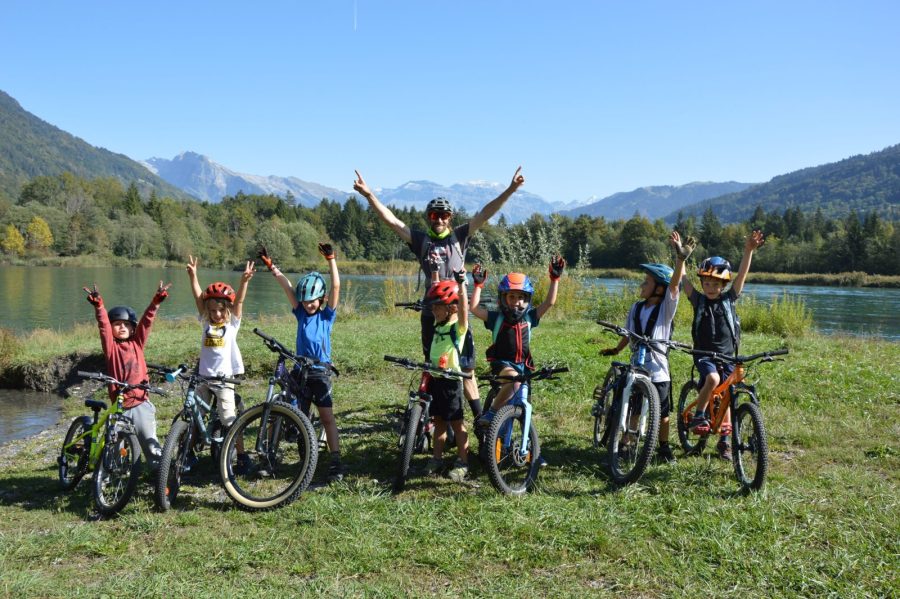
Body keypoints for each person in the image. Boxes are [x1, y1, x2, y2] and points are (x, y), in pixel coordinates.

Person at [352, 167, 527, 424]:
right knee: (434, 366)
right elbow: (392, 221)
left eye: (444, 215)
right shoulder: (421, 240)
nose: (439, 219)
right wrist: (369, 196)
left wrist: (510, 190)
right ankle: (436, 420)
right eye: (434, 215)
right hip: (431, 312)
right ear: (428, 218)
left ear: (450, 217)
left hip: (459, 313)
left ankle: (479, 418)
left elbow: (486, 214)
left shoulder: (460, 237)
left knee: (466, 366)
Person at [600, 231, 692, 464]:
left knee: (662, 414)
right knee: (635, 408)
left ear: (659, 288)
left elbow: (674, 288)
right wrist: (617, 349)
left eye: (647, 282)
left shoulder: (665, 310)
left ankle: (663, 446)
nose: (642, 285)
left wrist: (680, 259)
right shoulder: (636, 308)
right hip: (637, 366)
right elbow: (628, 332)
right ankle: (627, 444)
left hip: (659, 370)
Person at [258, 243, 345, 483]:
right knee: (299, 417)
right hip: (300, 371)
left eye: (313, 301)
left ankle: (336, 458)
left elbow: (336, 285)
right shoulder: (299, 313)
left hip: (320, 373)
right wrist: (272, 267)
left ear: (321, 299)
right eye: (305, 301)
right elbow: (287, 286)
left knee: (327, 417)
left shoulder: (326, 316)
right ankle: (305, 457)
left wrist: (331, 259)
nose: (308, 305)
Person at [684, 229, 766, 460]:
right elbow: (683, 281)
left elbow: (741, 277)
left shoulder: (729, 299)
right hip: (704, 355)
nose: (710, 287)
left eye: (716, 284)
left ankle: (725, 442)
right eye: (707, 283)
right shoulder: (698, 300)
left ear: (723, 285)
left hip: (728, 356)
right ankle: (699, 414)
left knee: (728, 396)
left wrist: (748, 250)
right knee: (712, 380)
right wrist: (681, 259)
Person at [469, 257, 565, 442]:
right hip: (502, 364)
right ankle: (491, 413)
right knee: (513, 380)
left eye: (521, 297)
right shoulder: (495, 317)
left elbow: (549, 303)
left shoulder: (530, 317)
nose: (516, 302)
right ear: (503, 298)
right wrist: (478, 285)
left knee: (523, 406)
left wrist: (554, 279)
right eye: (511, 296)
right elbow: (473, 308)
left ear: (527, 299)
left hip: (524, 366)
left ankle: (529, 446)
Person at [83, 280, 171, 470]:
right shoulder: (111, 349)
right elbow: (104, 327)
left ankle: (161, 477)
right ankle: (107, 479)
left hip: (140, 403)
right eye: (117, 324)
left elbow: (147, 323)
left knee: (150, 444)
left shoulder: (137, 343)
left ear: (132, 328)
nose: (121, 327)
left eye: (126, 324)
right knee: (113, 447)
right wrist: (99, 306)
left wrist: (155, 302)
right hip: (119, 407)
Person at [186, 255, 254, 470]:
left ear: (227, 310)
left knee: (230, 419)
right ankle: (188, 451)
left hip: (224, 380)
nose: (216, 314)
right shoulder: (206, 322)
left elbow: (239, 302)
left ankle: (241, 455)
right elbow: (198, 297)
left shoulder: (232, 324)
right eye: (212, 310)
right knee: (195, 414)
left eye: (220, 310)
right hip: (205, 377)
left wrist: (243, 282)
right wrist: (193, 275)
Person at [421, 272, 470, 483]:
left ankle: (463, 461)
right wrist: (434, 274)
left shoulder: (456, 328)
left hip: (451, 383)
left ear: (451, 308)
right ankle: (437, 458)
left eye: (437, 307)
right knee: (439, 422)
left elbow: (465, 312)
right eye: (432, 307)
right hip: (436, 381)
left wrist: (462, 286)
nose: (433, 310)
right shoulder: (437, 326)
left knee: (458, 424)